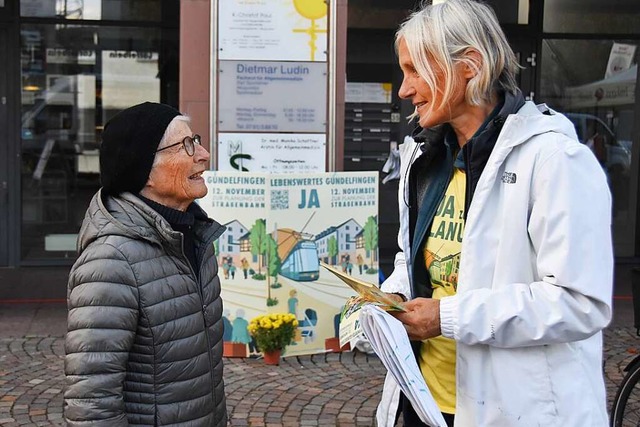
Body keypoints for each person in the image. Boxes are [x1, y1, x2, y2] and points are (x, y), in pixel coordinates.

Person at [378, 1, 613, 426]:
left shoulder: (555, 158)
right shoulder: (426, 157)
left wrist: (445, 317)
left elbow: (580, 303)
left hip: (518, 413)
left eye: (415, 70)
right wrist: (392, 297)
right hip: (423, 402)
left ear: (469, 65)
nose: (404, 90)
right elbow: (414, 261)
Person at [64, 102, 227, 426]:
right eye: (187, 146)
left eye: (195, 139)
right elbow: (92, 404)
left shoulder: (194, 237)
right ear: (144, 170)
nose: (204, 154)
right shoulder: (111, 261)